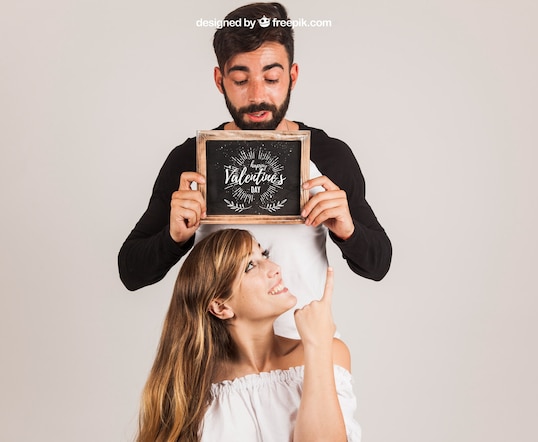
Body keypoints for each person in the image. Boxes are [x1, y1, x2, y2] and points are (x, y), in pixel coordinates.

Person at [118, 2, 392, 338]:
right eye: (240, 80)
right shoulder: (191, 159)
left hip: (306, 357)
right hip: (223, 362)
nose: (258, 95)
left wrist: (348, 231)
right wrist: (174, 237)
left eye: (272, 78)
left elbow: (379, 264)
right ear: (220, 80)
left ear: (292, 76)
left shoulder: (328, 155)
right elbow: (131, 271)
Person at [136, 229, 361, 441]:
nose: (275, 268)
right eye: (250, 266)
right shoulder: (193, 388)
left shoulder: (328, 352)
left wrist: (318, 346)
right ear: (220, 307)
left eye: (264, 255)